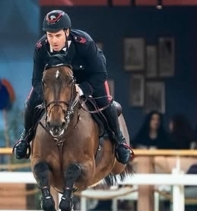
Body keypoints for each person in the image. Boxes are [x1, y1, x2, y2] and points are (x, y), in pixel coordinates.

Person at [12, 9, 133, 164]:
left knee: (105, 102)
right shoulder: (40, 48)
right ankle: (25, 138)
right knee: (30, 103)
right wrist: (49, 96)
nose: (53, 41)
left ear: (67, 32)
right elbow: (36, 80)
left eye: (57, 35)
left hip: (88, 76)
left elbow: (100, 74)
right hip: (58, 82)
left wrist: (82, 88)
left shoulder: (84, 43)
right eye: (50, 35)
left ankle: (119, 141)